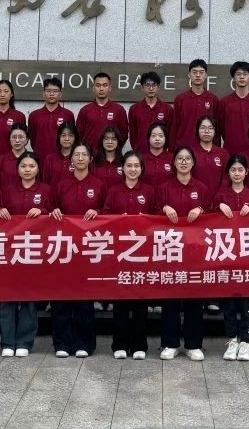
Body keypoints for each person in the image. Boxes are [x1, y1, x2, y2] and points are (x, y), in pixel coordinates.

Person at [0, 152, 52, 357]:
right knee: (8, 297)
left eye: (31, 166)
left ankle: (25, 342)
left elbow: (55, 214)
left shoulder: (46, 190)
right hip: (11, 251)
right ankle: (7, 342)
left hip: (35, 250)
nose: (27, 169)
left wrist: (43, 211)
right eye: (23, 166)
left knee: (30, 298)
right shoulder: (8, 191)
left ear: (38, 169)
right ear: (17, 169)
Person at [51, 144, 103, 358]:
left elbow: (107, 211)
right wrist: (53, 211)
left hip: (89, 248)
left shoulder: (99, 184)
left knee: (84, 299)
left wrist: (97, 211)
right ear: (70, 159)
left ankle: (84, 343)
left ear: (90, 159)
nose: (80, 158)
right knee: (61, 297)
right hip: (64, 248)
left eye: (84, 154)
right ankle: (62, 343)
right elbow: (52, 207)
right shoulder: (61, 184)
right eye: (76, 155)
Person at [103, 151, 155, 359]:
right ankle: (120, 344)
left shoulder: (149, 190)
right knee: (121, 299)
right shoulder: (114, 191)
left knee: (141, 299)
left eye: (137, 166)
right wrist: (119, 219)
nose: (133, 169)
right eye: (129, 165)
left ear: (142, 169)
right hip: (120, 252)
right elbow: (105, 215)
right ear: (122, 168)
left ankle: (140, 345)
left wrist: (146, 219)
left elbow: (157, 216)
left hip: (143, 251)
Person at [157, 146, 207, 360]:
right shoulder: (164, 188)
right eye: (180, 158)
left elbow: (212, 211)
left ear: (193, 163)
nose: (184, 162)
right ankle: (170, 343)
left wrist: (201, 210)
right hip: (171, 249)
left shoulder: (202, 187)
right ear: (174, 163)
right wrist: (164, 208)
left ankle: (193, 344)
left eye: (188, 158)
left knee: (194, 299)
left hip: (195, 251)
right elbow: (152, 212)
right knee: (170, 299)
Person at [211, 155, 249, 361]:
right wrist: (217, 208)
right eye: (233, 170)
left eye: (240, 170)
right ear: (228, 173)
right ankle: (232, 340)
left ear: (246, 172)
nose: (237, 173)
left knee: (246, 303)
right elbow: (209, 221)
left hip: (247, 257)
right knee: (229, 303)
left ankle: (245, 342)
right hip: (226, 257)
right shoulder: (220, 196)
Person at [218, 61, 249, 157]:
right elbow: (221, 128)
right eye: (238, 74)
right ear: (233, 78)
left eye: (245, 74)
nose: (242, 77)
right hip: (230, 151)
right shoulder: (224, 102)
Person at [172, 58, 221, 150]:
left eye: (201, 72)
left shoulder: (213, 99)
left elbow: (217, 128)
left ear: (206, 75)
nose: (198, 75)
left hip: (207, 150)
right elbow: (174, 127)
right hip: (184, 149)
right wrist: (172, 150)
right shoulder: (180, 99)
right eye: (194, 72)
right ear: (189, 75)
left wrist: (216, 149)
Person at [28, 77, 76, 166]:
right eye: (48, 91)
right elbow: (33, 139)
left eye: (55, 91)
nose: (51, 94)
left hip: (61, 161)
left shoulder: (68, 115)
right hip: (39, 160)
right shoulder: (34, 115)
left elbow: (72, 138)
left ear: (60, 94)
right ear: (43, 93)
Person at [76, 72, 130, 151]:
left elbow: (124, 134)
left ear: (110, 88)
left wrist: (114, 150)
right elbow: (79, 134)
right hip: (90, 156)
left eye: (105, 85)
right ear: (93, 88)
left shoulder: (119, 110)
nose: (101, 89)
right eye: (98, 85)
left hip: (111, 155)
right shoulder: (85, 110)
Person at [128, 71, 174, 153]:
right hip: (140, 154)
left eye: (154, 85)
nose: (151, 88)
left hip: (160, 154)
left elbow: (170, 134)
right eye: (147, 85)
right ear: (142, 87)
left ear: (158, 87)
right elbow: (133, 135)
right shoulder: (134, 109)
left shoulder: (167, 109)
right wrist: (137, 149)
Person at [192, 115, 228, 203]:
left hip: (218, 203)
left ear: (215, 131)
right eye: (203, 128)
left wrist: (219, 199)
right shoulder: (190, 153)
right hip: (195, 201)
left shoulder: (223, 154)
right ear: (197, 130)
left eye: (210, 128)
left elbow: (226, 180)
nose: (206, 131)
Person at [42, 121, 79, 192]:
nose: (67, 139)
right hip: (53, 196)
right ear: (58, 137)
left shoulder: (79, 159)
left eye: (70, 135)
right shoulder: (50, 159)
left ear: (75, 138)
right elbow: (45, 183)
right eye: (63, 135)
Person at [0, 126, 30, 190]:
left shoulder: (32, 159)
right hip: (5, 195)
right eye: (14, 137)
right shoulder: (1, 160)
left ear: (26, 140)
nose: (17, 140)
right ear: (9, 139)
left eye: (21, 137)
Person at [140, 121, 174, 188]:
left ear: (166, 138)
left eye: (161, 136)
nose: (157, 139)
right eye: (153, 136)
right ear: (148, 138)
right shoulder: (141, 159)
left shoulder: (173, 158)